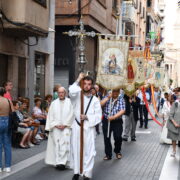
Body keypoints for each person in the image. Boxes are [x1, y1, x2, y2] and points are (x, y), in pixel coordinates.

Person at [69, 73, 102, 180]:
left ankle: (87, 173)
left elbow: (98, 116)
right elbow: (71, 91)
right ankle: (77, 171)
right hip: (77, 127)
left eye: (89, 84)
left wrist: (87, 117)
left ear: (91, 86)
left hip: (89, 128)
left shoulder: (95, 100)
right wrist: (78, 78)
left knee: (90, 151)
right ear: (82, 85)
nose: (87, 86)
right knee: (76, 149)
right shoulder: (77, 96)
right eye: (85, 84)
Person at [45, 87, 74, 170]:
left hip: (66, 127)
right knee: (57, 144)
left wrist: (65, 124)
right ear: (57, 93)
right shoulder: (53, 103)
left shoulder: (70, 102)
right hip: (56, 127)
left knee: (65, 144)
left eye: (62, 92)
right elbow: (50, 116)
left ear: (65, 93)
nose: (61, 94)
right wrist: (55, 124)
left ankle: (63, 162)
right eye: (59, 92)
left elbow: (72, 114)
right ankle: (58, 162)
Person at [101, 89, 125, 160]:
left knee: (118, 137)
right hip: (106, 120)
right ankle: (108, 154)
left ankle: (117, 151)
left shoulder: (121, 99)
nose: (115, 93)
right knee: (107, 137)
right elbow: (100, 104)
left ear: (118, 92)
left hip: (117, 121)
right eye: (114, 91)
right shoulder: (107, 97)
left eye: (116, 91)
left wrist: (114, 117)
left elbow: (123, 110)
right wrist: (108, 98)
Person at [0, 87, 12, 173]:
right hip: (7, 121)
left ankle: (0, 167)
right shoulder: (8, 100)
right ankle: (8, 166)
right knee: (7, 145)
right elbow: (13, 111)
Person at [167, 89, 180, 157]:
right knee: (174, 138)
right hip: (174, 125)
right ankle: (174, 150)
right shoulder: (176, 103)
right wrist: (175, 123)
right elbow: (170, 115)